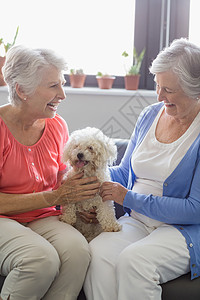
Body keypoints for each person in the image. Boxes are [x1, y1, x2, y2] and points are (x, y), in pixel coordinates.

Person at [84, 38, 200, 300]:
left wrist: (127, 198)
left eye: (168, 89)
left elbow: (196, 209)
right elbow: (124, 174)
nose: (160, 96)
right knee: (99, 253)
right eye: (158, 86)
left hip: (181, 230)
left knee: (135, 262)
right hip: (136, 220)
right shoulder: (150, 114)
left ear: (195, 89)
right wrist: (92, 177)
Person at [0, 45, 100, 300]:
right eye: (53, 86)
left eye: (62, 83)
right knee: (40, 258)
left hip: (43, 217)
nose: (63, 95)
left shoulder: (57, 125)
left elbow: (63, 178)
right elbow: (57, 194)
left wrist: (82, 202)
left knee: (78, 252)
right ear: (22, 90)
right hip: (3, 218)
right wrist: (54, 197)